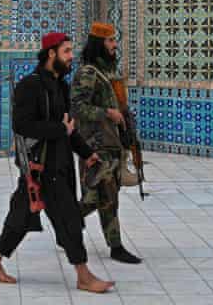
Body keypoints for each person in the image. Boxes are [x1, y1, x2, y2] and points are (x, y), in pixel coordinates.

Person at [0, 33, 114, 293]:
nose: (70, 56)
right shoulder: (30, 86)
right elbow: (22, 124)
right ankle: (83, 275)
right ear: (51, 53)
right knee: (69, 219)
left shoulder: (61, 87)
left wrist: (86, 153)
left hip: (58, 163)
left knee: (21, 214)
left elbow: (69, 128)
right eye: (66, 51)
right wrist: (58, 130)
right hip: (42, 166)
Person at [72, 22, 142, 264]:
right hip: (95, 144)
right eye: (110, 41)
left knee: (108, 195)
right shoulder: (88, 73)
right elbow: (77, 107)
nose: (115, 45)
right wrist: (106, 114)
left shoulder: (110, 73)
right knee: (98, 196)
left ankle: (114, 245)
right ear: (99, 44)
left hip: (112, 144)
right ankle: (68, 223)